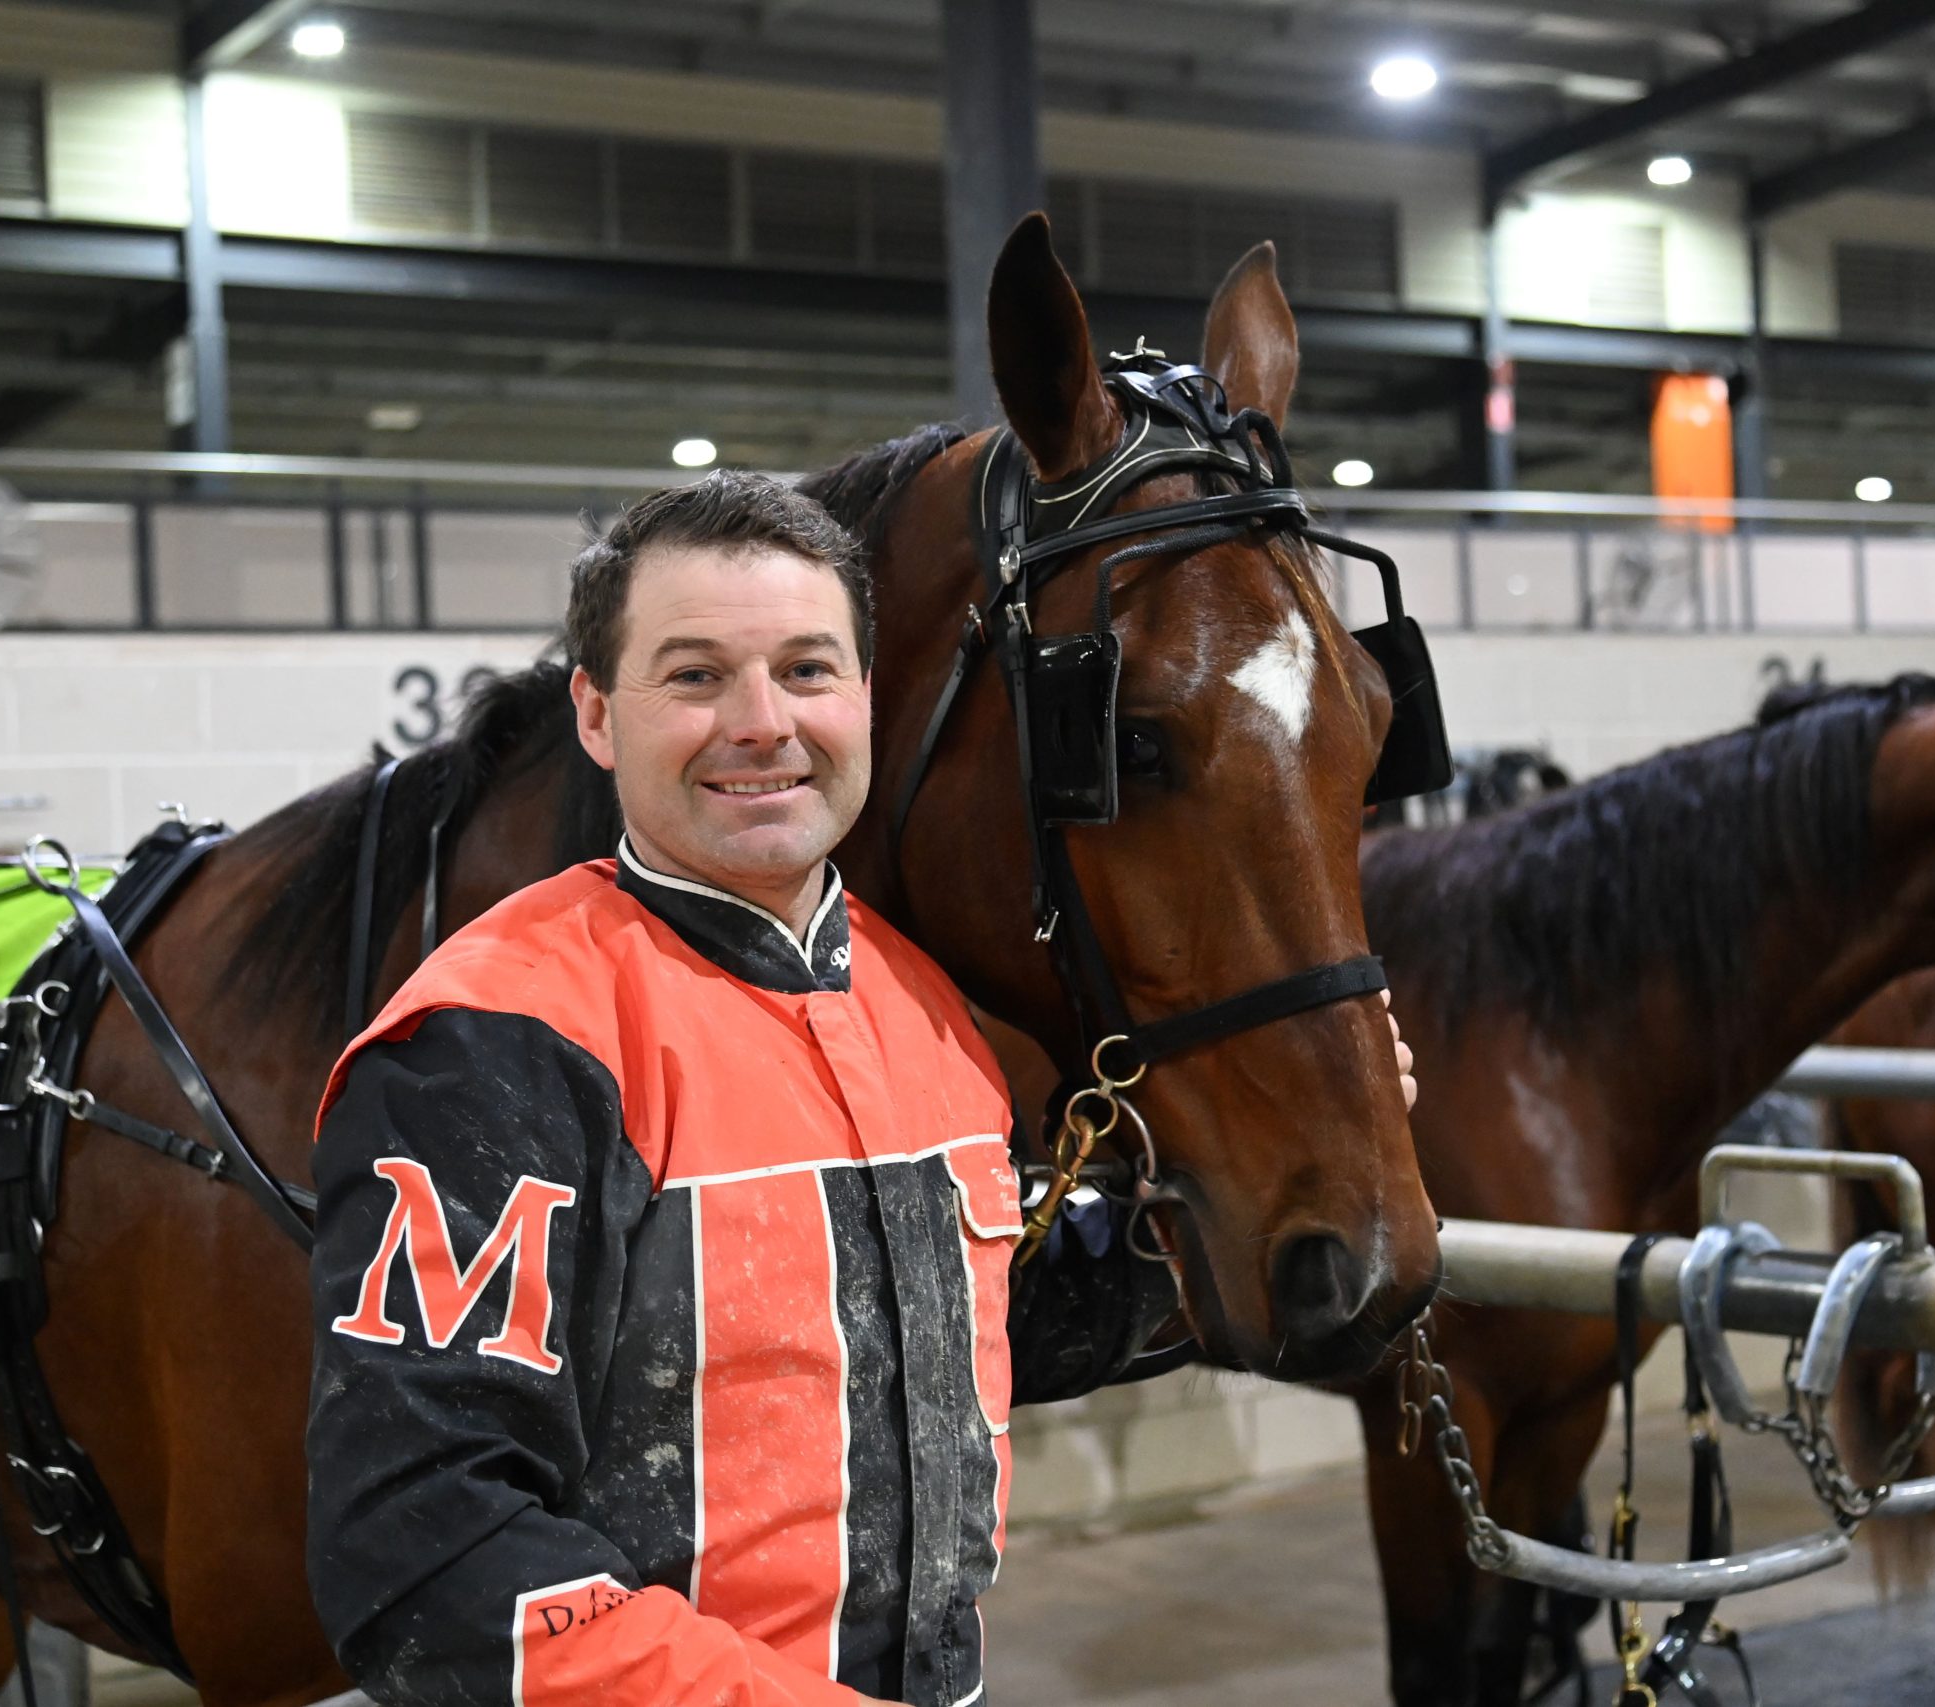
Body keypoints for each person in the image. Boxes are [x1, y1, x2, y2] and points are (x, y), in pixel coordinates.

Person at [303, 471, 1413, 1707]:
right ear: (597, 715)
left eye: (808, 670)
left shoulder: (922, 1004)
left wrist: (1267, 1166)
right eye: (694, 675)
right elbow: (422, 1553)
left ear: (867, 699)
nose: (762, 722)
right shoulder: (488, 1049)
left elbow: (977, 1330)